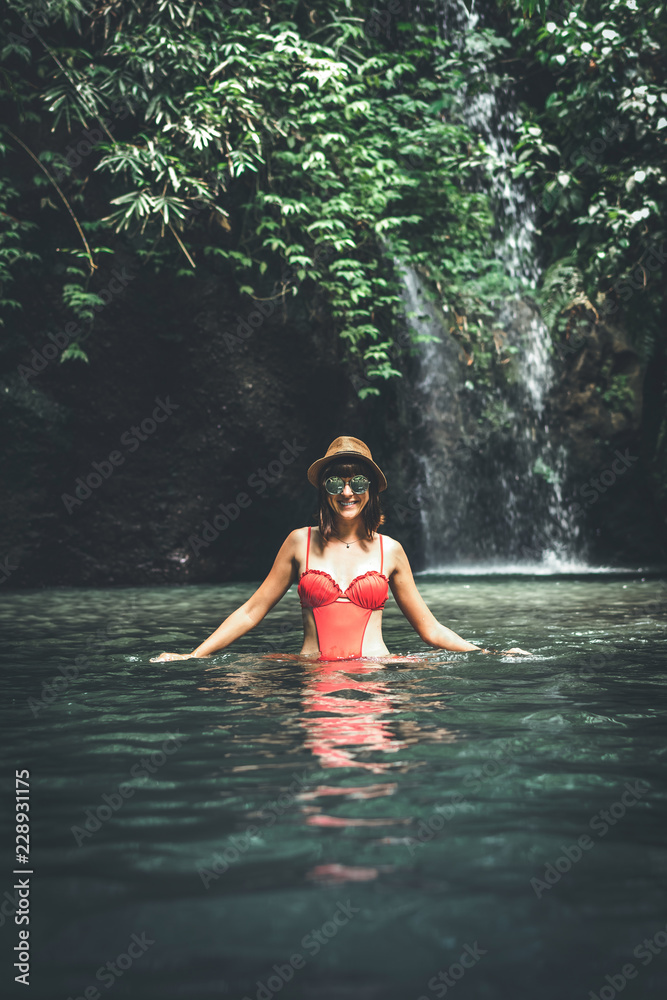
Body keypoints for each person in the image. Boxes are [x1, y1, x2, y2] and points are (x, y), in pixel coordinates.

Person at [151, 436, 530, 662]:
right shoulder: (299, 542)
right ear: (324, 489)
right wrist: (193, 655)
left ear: (371, 489)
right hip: (314, 673)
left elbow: (429, 628)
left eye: (357, 481)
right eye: (336, 482)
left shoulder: (391, 551)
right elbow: (251, 611)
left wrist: (487, 655)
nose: (347, 492)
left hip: (376, 674)